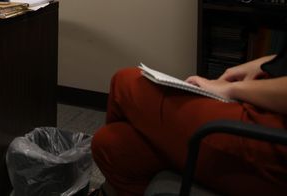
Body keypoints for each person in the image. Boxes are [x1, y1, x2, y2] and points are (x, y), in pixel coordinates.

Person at [91, 50, 287, 196]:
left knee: (125, 83)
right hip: (268, 101)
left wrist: (233, 89)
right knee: (110, 145)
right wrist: (266, 62)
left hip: (273, 134)